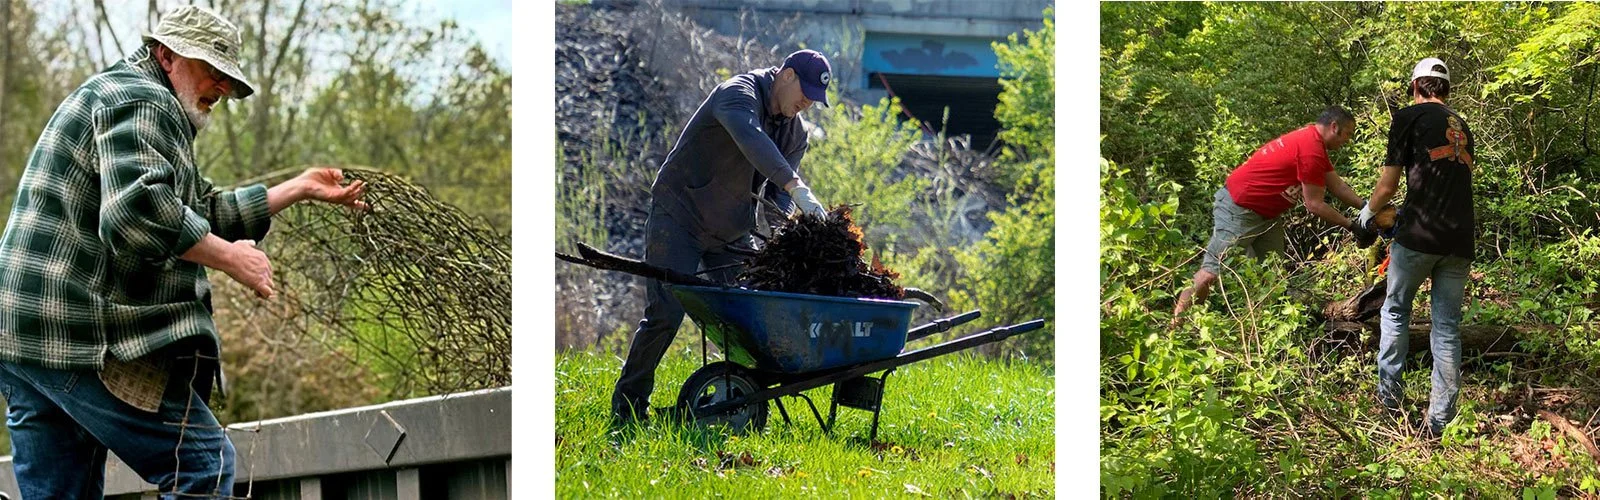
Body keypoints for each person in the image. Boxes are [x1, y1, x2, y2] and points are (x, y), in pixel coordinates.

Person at [0, 6, 367, 498]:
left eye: (227, 78)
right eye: (211, 69)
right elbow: (138, 213)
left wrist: (297, 188)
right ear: (167, 55)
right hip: (75, 332)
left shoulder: (127, 96)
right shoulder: (143, 98)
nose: (221, 88)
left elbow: (195, 209)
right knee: (203, 465)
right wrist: (232, 258)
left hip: (22, 336)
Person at [610, 49, 833, 425]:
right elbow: (751, 140)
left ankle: (737, 400)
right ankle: (629, 406)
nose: (807, 103)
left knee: (752, 313)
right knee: (665, 314)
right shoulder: (737, 94)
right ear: (787, 75)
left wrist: (782, 241)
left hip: (731, 230)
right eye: (805, 92)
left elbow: (776, 201)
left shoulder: (795, 135)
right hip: (680, 215)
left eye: (815, 98)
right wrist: (796, 185)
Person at [1173, 106, 1378, 318]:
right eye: (1348, 134)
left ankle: (1260, 325)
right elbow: (1314, 205)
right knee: (1210, 273)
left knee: (1272, 278)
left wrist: (1368, 208)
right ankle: (1178, 325)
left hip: (1267, 216)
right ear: (1334, 127)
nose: (1348, 140)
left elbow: (1338, 187)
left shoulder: (1313, 143)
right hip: (1239, 209)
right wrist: (1352, 226)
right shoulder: (1310, 149)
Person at [1360, 57, 1474, 437]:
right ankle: (1440, 422)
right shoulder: (1463, 126)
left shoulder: (1407, 117)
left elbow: (1388, 186)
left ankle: (1389, 405)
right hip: (1459, 241)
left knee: (1395, 312)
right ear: (1446, 89)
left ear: (1415, 86)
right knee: (1447, 328)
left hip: (1418, 236)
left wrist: (1367, 213)